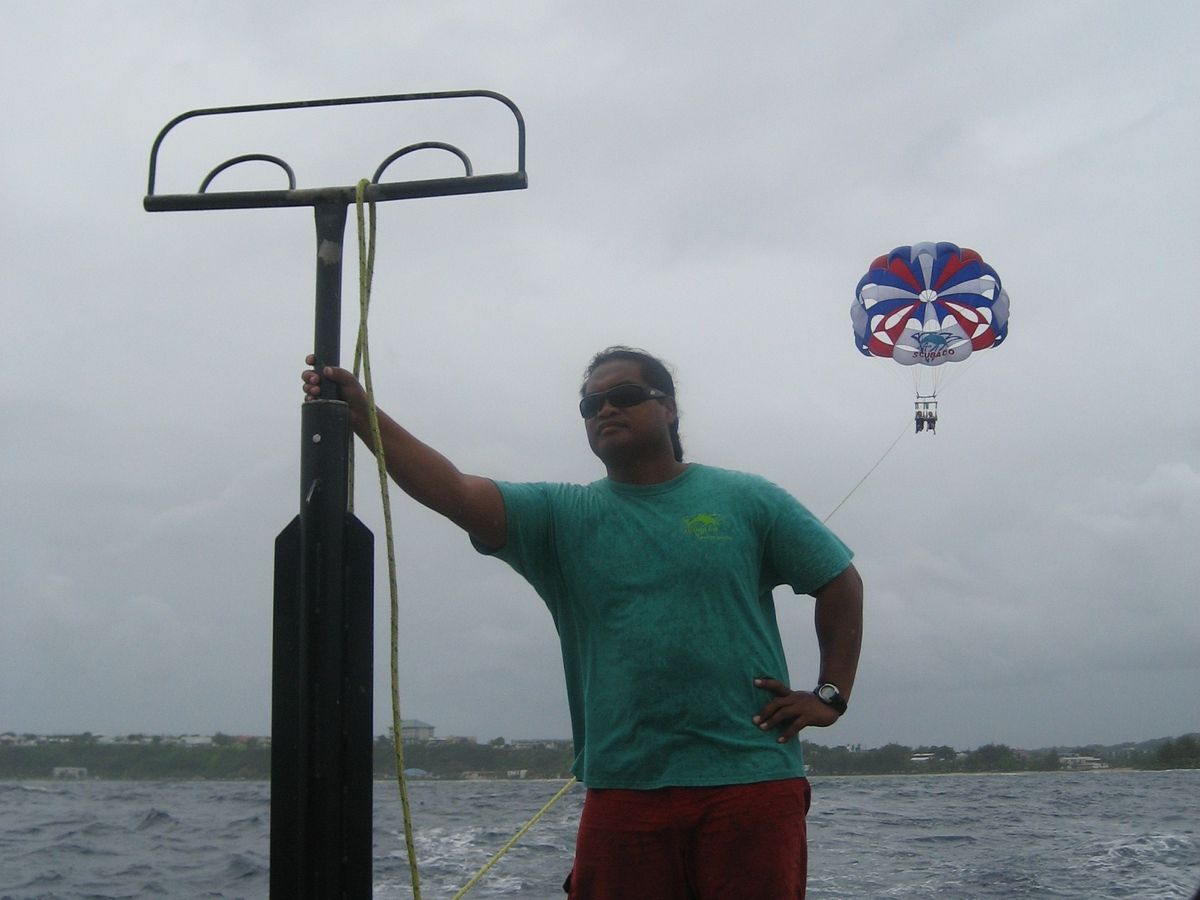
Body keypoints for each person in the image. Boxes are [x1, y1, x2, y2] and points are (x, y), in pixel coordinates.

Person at [302, 346, 863, 899]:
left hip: (752, 780)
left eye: (625, 395)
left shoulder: (747, 499)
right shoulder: (559, 517)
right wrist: (361, 415)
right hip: (623, 787)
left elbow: (838, 580)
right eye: (591, 405)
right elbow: (454, 491)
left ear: (670, 408)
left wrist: (830, 694)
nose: (606, 409)